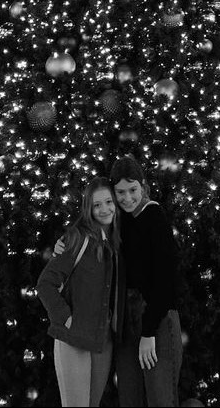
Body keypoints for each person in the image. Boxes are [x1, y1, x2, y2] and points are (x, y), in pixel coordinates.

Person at [58, 157, 183, 406]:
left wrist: (149, 333)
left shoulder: (154, 216)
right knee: (129, 397)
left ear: (143, 186)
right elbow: (87, 231)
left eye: (133, 190)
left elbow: (166, 281)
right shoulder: (116, 219)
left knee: (160, 398)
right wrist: (63, 243)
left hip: (156, 320)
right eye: (120, 192)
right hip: (125, 323)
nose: (127, 198)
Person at [37, 178, 124, 408]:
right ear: (89, 208)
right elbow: (45, 284)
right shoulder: (77, 239)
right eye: (97, 205)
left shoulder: (115, 244)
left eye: (109, 202)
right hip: (74, 338)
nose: (105, 209)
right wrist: (66, 318)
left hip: (102, 342)